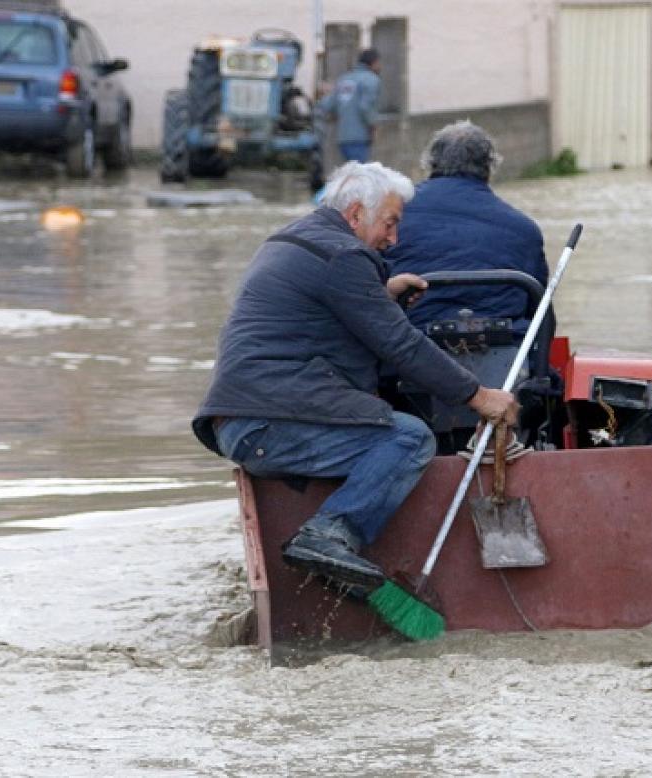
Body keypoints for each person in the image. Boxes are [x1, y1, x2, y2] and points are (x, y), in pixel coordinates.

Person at [192, 161, 519, 590]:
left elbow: (311, 323)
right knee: (409, 438)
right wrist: (478, 396)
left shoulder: (293, 240)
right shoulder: (346, 256)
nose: (394, 238)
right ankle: (328, 534)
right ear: (355, 216)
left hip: (243, 421)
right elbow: (401, 345)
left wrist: (382, 296)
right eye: (390, 222)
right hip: (268, 425)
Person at [385, 121, 549, 334]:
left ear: (430, 163)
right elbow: (540, 312)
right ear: (490, 166)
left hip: (410, 348)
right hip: (505, 352)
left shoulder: (390, 217)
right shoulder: (525, 230)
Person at [318, 48, 382, 163]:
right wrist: (373, 126)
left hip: (343, 138)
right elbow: (365, 107)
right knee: (361, 175)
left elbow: (327, 105)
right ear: (373, 63)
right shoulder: (372, 80)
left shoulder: (344, 79)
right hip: (360, 137)